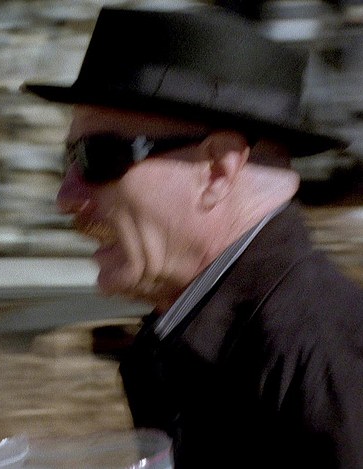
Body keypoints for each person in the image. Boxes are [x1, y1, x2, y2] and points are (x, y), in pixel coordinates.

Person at [22, 5, 363, 469]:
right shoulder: (192, 344)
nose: (66, 196)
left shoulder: (326, 359)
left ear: (217, 171)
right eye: (68, 159)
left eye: (98, 157)